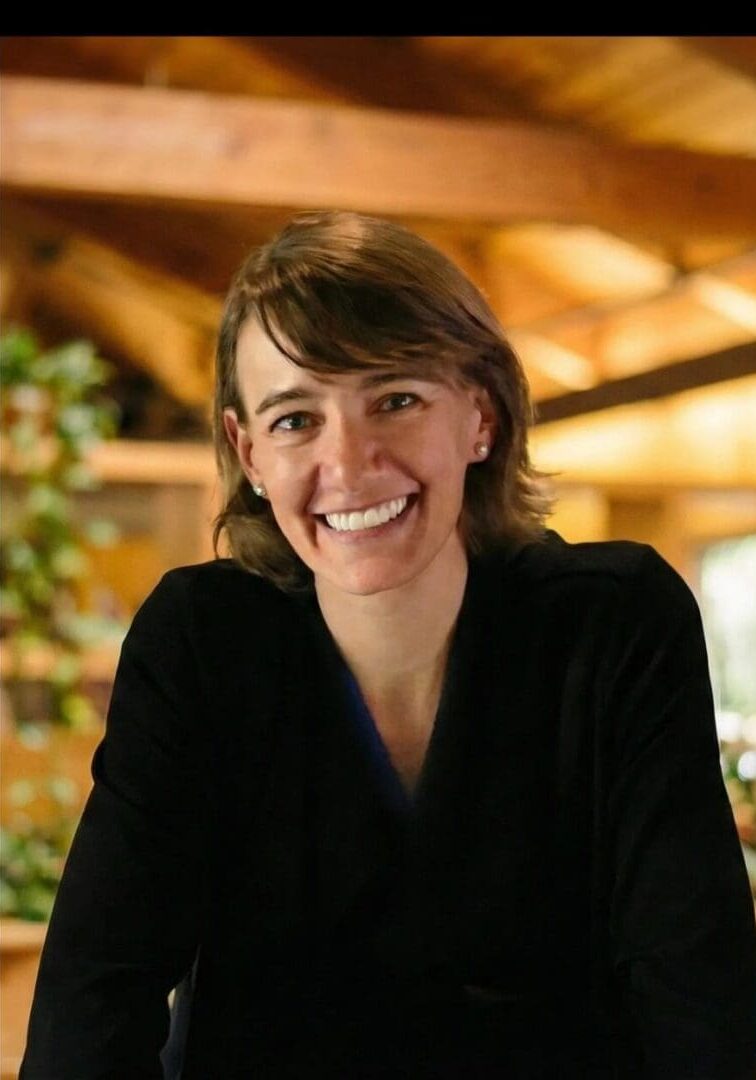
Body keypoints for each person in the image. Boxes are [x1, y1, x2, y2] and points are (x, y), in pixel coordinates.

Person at [21, 211, 756, 1079]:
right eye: (297, 419)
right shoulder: (202, 640)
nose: (351, 461)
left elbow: (700, 996)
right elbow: (95, 997)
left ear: (480, 416)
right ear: (247, 452)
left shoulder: (612, 626)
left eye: (395, 399)